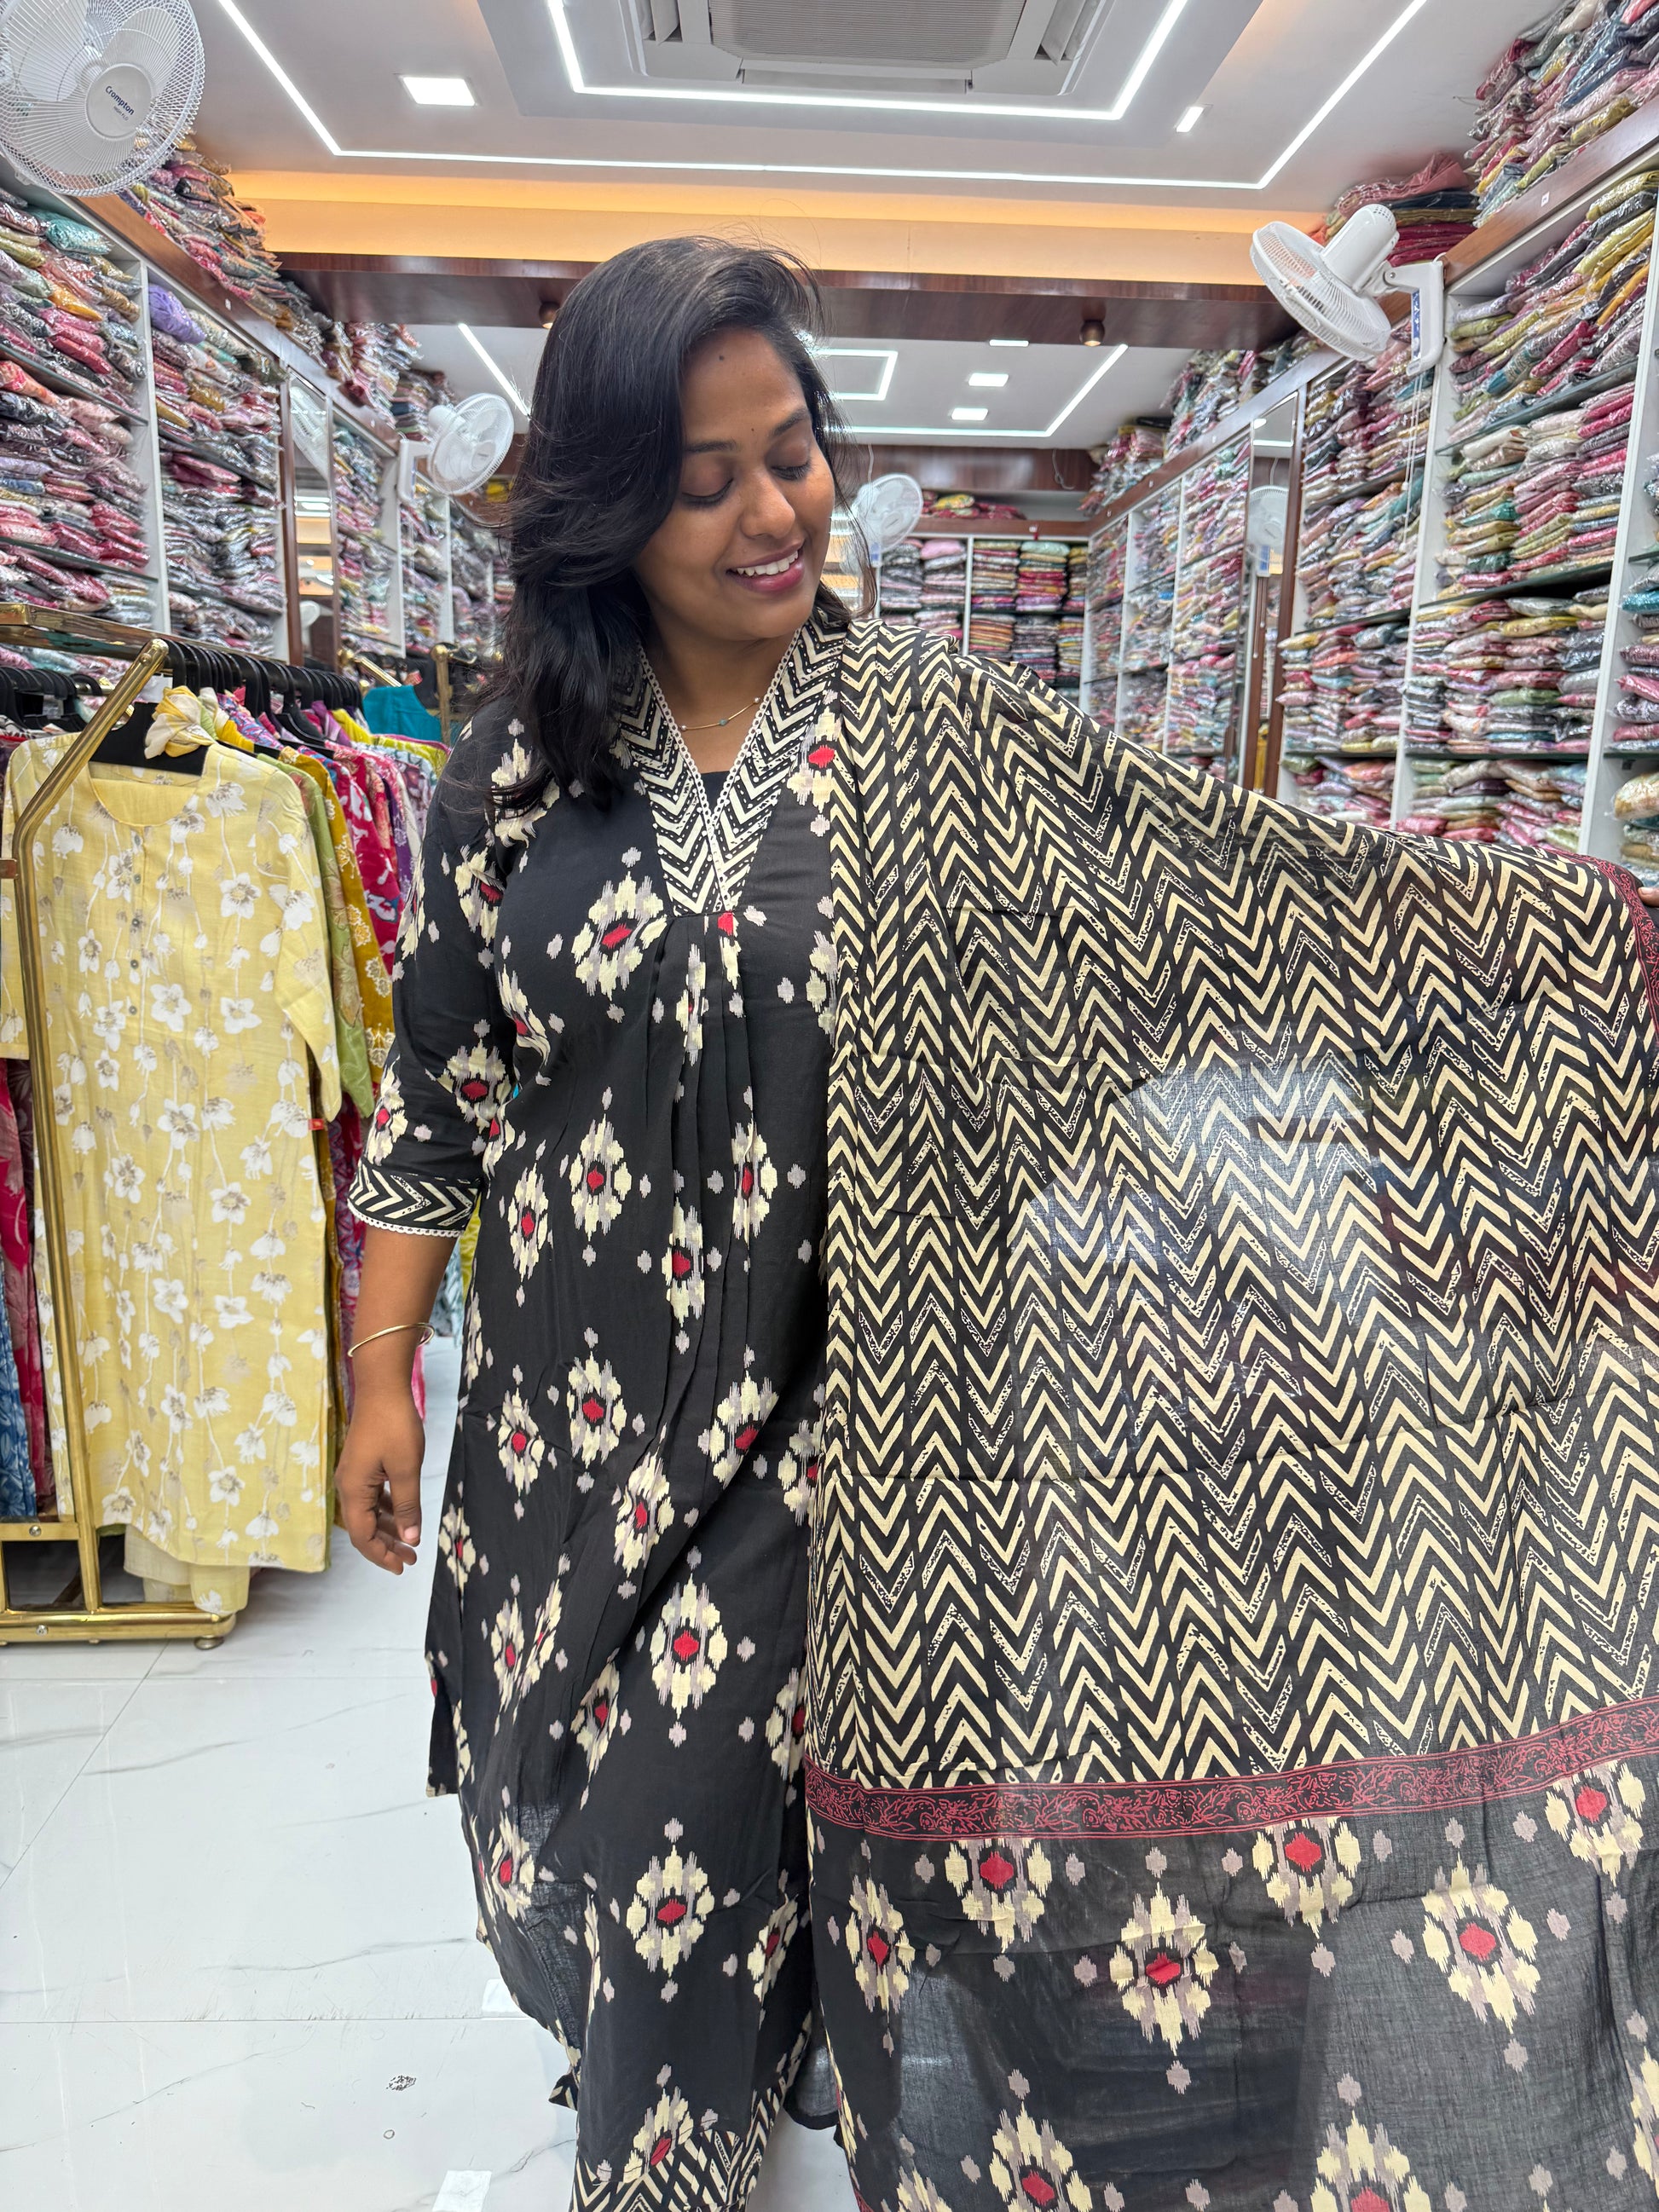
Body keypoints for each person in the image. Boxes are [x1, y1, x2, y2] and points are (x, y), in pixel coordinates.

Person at [338, 236, 1659, 2212]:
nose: (772, 512)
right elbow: (438, 1096)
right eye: (704, 482)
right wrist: (381, 1370)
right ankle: (741, 2062)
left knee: (688, 1844)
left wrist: (1573, 942)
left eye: (792, 454)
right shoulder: (516, 776)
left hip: (851, 1425)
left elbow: (1221, 892)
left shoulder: (937, 736)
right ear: (606, 513)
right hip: (561, 1426)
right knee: (598, 1842)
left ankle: (668, 2158)